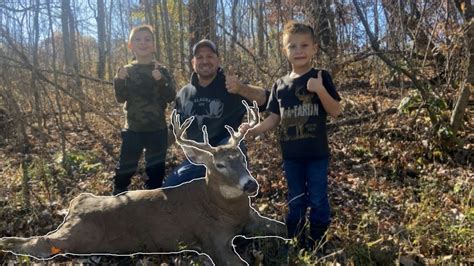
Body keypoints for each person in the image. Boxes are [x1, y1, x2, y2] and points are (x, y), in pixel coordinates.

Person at [241, 21, 342, 250]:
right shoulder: (280, 85)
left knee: (317, 198)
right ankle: (295, 239)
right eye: (292, 46)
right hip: (291, 156)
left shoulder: (320, 76)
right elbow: (275, 118)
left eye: (304, 45)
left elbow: (335, 111)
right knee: (296, 199)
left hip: (317, 155)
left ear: (314, 48)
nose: (299, 51)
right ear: (284, 50)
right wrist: (254, 130)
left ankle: (317, 240)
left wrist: (320, 90)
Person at [162, 39, 268, 187]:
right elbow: (174, 130)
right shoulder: (184, 94)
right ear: (193, 63)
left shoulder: (230, 85)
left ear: (218, 60)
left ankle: (239, 199)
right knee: (170, 187)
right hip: (199, 159)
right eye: (199, 57)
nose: (205, 61)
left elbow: (267, 100)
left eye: (210, 56)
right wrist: (154, 149)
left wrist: (241, 88)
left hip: (227, 156)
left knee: (231, 172)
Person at [112, 25, 176, 195]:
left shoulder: (161, 70)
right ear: (130, 45)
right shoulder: (127, 70)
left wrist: (161, 80)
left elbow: (171, 96)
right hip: (133, 130)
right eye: (138, 39)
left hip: (157, 130)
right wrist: (118, 80)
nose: (143, 43)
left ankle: (152, 201)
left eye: (147, 39)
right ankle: (117, 196)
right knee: (126, 167)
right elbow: (120, 98)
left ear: (154, 45)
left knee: (156, 170)